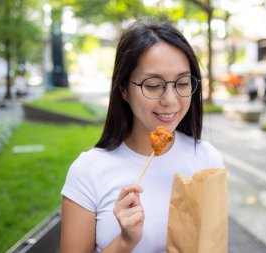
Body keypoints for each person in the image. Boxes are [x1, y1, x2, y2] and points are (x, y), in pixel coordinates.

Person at [60, 20, 224, 253]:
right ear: (124, 90)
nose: (170, 100)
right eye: (153, 85)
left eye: (183, 83)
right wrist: (125, 241)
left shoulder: (207, 159)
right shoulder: (88, 171)